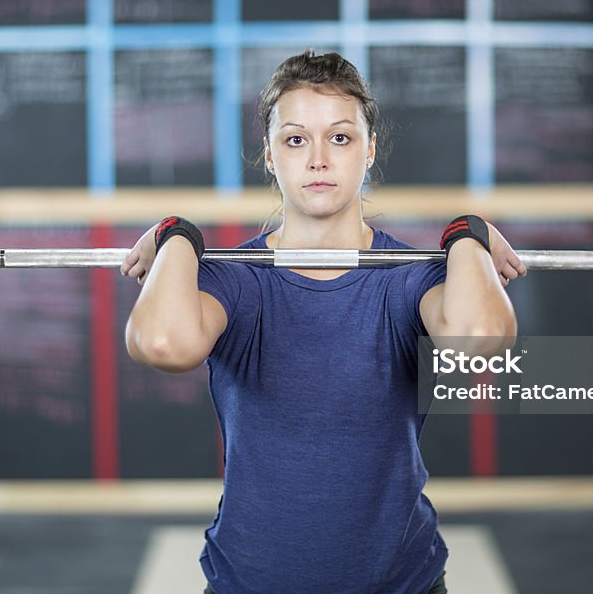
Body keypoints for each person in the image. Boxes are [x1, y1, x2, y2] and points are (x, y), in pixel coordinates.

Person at [121, 50, 526, 594]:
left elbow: (480, 341)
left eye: (340, 137)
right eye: (295, 140)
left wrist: (465, 234)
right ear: (269, 155)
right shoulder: (237, 282)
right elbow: (163, 343)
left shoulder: (406, 279)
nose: (318, 159)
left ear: (370, 149)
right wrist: (178, 236)